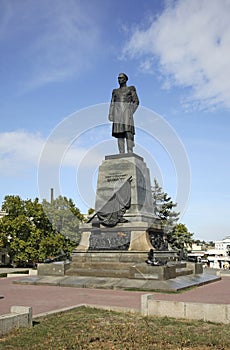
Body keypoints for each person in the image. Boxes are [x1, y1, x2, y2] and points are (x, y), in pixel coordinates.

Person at [108, 73, 139, 153]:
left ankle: (130, 151)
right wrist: (111, 113)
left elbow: (136, 101)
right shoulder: (115, 91)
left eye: (121, 78)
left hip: (127, 113)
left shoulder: (131, 88)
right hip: (117, 113)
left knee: (128, 132)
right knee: (119, 133)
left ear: (125, 79)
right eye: (118, 78)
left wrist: (130, 111)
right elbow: (112, 103)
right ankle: (121, 152)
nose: (119, 80)